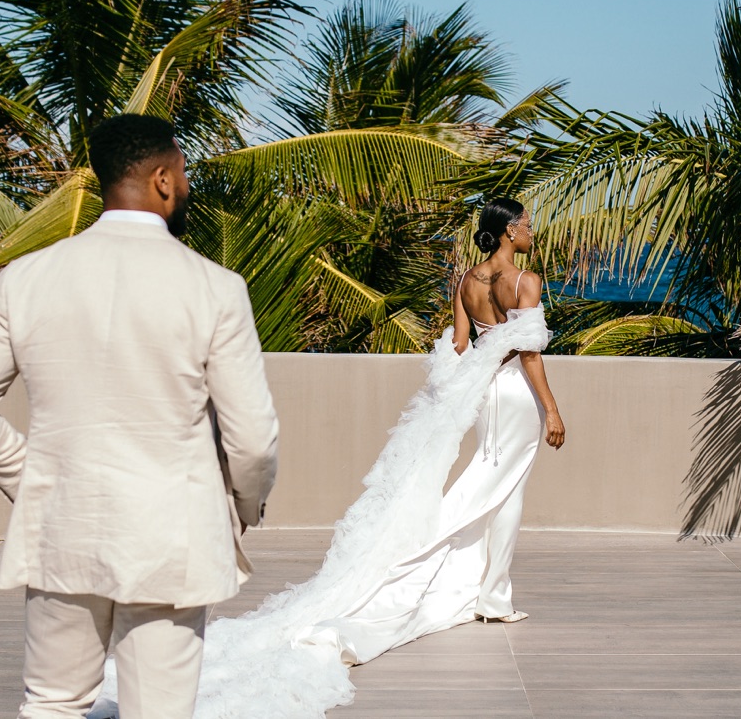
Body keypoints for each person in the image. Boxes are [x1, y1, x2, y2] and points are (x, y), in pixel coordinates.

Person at [162, 196, 563, 719]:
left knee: (492, 482)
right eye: (527, 225)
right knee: (504, 489)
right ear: (509, 232)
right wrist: (552, 410)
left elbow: (460, 347)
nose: (532, 232)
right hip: (514, 393)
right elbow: (530, 353)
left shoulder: (466, 281)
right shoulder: (525, 281)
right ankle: (491, 596)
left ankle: (489, 592)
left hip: (481, 395)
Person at [0, 113, 279, 719]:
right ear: (164, 180)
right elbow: (250, 438)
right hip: (172, 534)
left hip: (63, 523)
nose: (187, 185)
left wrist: (36, 479)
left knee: (52, 704)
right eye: (184, 172)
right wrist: (244, 506)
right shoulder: (215, 287)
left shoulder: (27, 278)